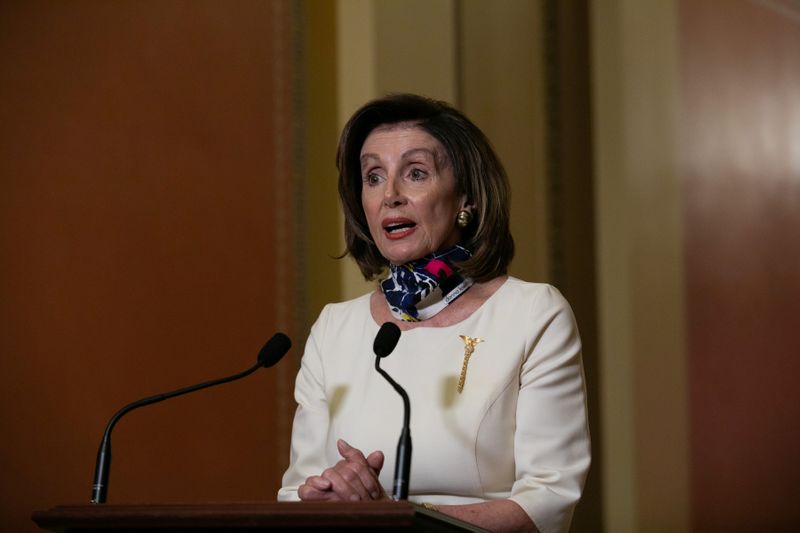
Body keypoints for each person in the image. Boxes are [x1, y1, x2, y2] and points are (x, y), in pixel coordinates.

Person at [277, 94, 590, 533]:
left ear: (467, 198)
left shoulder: (532, 314)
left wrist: (394, 519)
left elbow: (548, 501)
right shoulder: (334, 328)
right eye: (373, 177)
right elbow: (296, 495)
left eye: (416, 173)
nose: (390, 196)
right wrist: (327, 499)